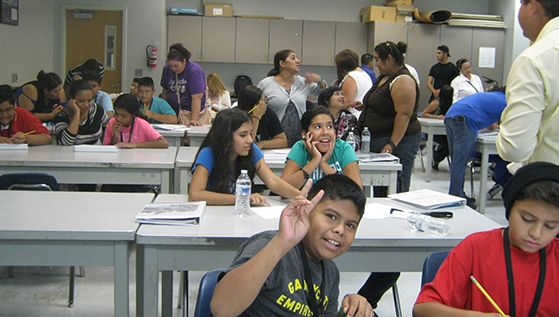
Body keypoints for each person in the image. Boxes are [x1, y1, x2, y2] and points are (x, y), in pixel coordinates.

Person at [211, 174, 374, 317]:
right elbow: (221, 309)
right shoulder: (270, 247)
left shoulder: (330, 273)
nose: (340, 230)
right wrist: (282, 242)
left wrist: (350, 309)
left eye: (351, 225)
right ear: (306, 210)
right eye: (331, 216)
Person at [413, 161, 559, 317]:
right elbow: (423, 309)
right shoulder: (476, 249)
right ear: (509, 210)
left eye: (550, 226)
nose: (536, 233)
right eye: (527, 219)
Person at [189, 108, 300, 205]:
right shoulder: (208, 153)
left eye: (250, 134)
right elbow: (195, 195)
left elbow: (273, 181)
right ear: (226, 137)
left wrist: (302, 197)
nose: (250, 140)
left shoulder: (251, 149)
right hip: (213, 213)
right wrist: (241, 198)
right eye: (243, 135)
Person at [497, 0, 559, 170]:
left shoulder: (534, 59)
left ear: (532, 6)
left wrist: (506, 126)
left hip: (548, 186)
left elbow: (515, 149)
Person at [357, 41, 421, 193]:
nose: (376, 63)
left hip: (398, 141)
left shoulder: (403, 80)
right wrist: (366, 106)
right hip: (379, 138)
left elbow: (404, 114)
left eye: (378, 59)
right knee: (380, 187)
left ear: (390, 59)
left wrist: (392, 143)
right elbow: (384, 101)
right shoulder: (386, 76)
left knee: (396, 187)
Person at [445, 88, 508, 209]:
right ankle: (456, 196)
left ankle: (457, 194)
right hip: (465, 120)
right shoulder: (506, 102)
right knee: (460, 163)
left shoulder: (494, 96)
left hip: (451, 116)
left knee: (456, 162)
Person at [281, 106, 362, 190]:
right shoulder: (300, 147)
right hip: (306, 201)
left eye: (329, 126)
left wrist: (324, 165)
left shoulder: (343, 148)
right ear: (305, 134)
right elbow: (283, 190)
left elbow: (356, 190)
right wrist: (315, 160)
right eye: (318, 127)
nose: (325, 132)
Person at [257, 49, 326, 147]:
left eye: (297, 58)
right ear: (282, 63)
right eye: (293, 58)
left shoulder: (303, 82)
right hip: (273, 137)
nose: (298, 61)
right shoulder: (266, 84)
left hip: (300, 138)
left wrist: (320, 80)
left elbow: (324, 94)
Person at [160, 43, 209, 126]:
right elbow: (165, 91)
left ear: (184, 61)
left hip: (190, 112)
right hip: (172, 112)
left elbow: (197, 97)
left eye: (176, 66)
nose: (173, 69)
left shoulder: (194, 71)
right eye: (171, 66)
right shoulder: (167, 70)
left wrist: (194, 119)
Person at [53, 79, 109, 145]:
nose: (86, 105)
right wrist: (76, 113)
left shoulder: (97, 110)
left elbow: (109, 128)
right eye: (81, 101)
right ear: (72, 99)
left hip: (96, 153)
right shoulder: (61, 116)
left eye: (89, 100)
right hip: (71, 154)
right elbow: (66, 142)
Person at [103, 94, 168, 148]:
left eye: (124, 116)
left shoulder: (141, 124)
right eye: (116, 114)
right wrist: (115, 137)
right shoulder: (112, 122)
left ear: (133, 114)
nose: (119, 118)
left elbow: (163, 143)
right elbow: (106, 148)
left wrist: (135, 145)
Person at [236, 85, 287, 150]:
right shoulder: (235, 117)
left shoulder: (268, 114)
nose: (265, 105)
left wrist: (263, 144)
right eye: (262, 103)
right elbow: (247, 141)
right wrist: (256, 117)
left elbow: (283, 141)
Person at [421, 85, 454, 170]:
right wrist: (437, 117)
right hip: (434, 130)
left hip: (445, 130)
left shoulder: (453, 103)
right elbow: (424, 114)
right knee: (449, 144)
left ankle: (437, 156)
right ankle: (437, 157)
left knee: (453, 143)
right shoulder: (436, 103)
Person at [335, 49, 373, 119]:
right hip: (362, 115)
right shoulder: (364, 74)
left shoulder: (351, 77)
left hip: (353, 117)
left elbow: (347, 103)